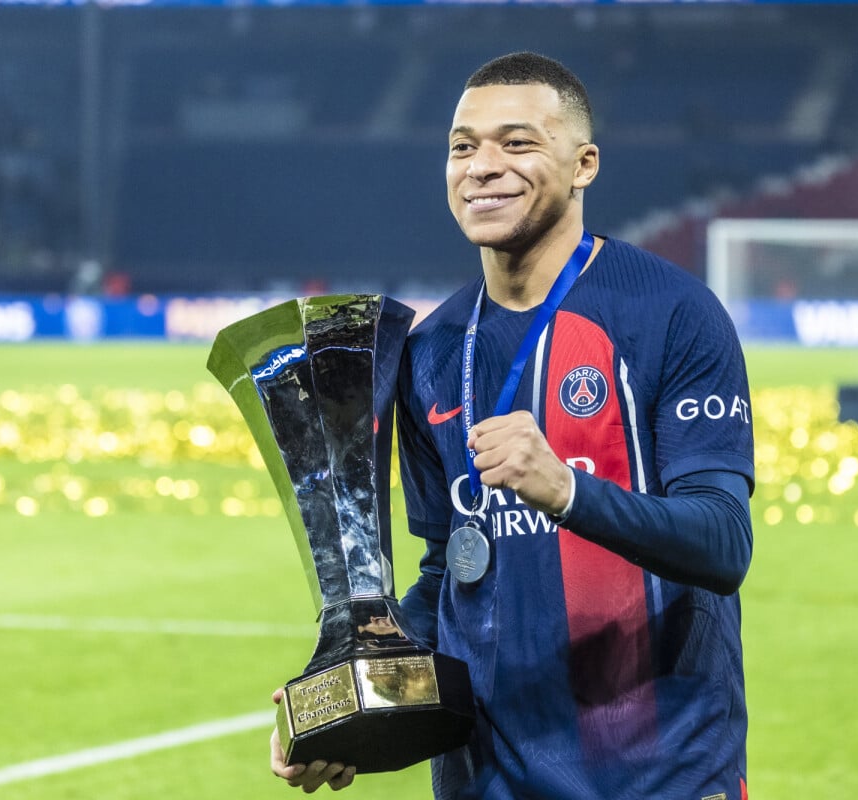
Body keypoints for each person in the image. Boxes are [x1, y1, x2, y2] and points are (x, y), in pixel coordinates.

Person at [271, 51, 755, 799]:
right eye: (463, 146)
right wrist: (350, 694)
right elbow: (449, 569)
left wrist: (566, 491)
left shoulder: (670, 313)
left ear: (584, 164)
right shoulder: (430, 349)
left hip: (660, 777)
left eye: (517, 143)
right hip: (484, 781)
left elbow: (723, 543)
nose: (482, 166)